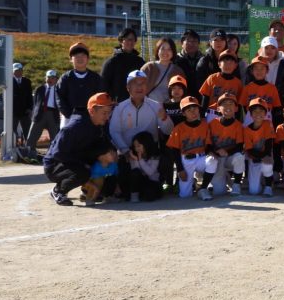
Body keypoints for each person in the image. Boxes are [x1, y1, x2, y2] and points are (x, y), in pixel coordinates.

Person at [109, 70, 173, 201]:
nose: (140, 87)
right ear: (128, 87)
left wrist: (164, 118)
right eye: (135, 84)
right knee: (126, 192)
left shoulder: (156, 106)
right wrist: (126, 151)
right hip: (128, 153)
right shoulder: (120, 108)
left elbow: (168, 130)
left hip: (150, 154)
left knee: (152, 192)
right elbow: (114, 131)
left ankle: (163, 184)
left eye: (143, 83)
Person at [43, 92, 115, 206]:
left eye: (109, 113)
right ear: (92, 111)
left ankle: (91, 190)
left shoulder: (100, 123)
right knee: (83, 172)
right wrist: (83, 164)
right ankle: (58, 191)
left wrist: (109, 152)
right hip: (55, 165)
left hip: (76, 158)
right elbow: (58, 153)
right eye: (104, 113)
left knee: (106, 156)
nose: (107, 116)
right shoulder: (74, 127)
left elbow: (102, 144)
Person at [166, 97, 213, 199]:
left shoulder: (205, 125)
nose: (193, 112)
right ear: (183, 113)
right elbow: (175, 150)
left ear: (199, 110)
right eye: (189, 110)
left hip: (201, 158)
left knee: (213, 160)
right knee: (185, 195)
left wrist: (211, 153)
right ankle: (195, 184)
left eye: (195, 108)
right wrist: (180, 169)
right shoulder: (178, 128)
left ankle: (203, 187)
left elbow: (209, 145)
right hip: (186, 160)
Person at [57, 42, 105, 125]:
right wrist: (69, 115)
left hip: (91, 118)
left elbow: (100, 98)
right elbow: (59, 98)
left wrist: (94, 114)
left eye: (83, 55)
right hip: (69, 119)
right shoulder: (65, 78)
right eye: (76, 56)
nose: (80, 58)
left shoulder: (96, 78)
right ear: (71, 59)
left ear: (88, 58)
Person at [100, 28, 145, 103]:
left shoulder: (140, 62)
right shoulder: (112, 62)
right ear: (121, 41)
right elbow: (103, 85)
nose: (130, 42)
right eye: (128, 39)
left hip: (136, 103)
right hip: (116, 104)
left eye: (133, 40)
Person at [243, 99, 277, 196]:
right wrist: (260, 157)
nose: (258, 113)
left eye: (261, 111)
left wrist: (265, 157)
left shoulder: (268, 124)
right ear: (250, 114)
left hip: (266, 155)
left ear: (266, 113)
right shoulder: (247, 129)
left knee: (267, 164)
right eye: (255, 111)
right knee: (254, 191)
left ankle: (268, 186)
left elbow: (269, 144)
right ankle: (261, 179)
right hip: (254, 158)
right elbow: (249, 150)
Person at [141, 37, 185, 104]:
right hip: (148, 105)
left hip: (169, 107)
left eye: (169, 49)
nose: (165, 52)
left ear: (173, 52)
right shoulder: (148, 67)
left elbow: (183, 91)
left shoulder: (178, 71)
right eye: (163, 49)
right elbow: (138, 87)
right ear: (158, 50)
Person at [27, 69, 61, 149]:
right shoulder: (39, 89)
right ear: (45, 78)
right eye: (48, 77)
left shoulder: (59, 90)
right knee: (32, 136)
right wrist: (34, 113)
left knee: (55, 137)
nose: (50, 80)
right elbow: (35, 102)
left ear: (56, 79)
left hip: (53, 114)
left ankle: (53, 154)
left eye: (52, 78)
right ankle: (29, 152)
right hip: (39, 114)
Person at [174, 29, 205, 98]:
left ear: (198, 44)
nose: (191, 44)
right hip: (180, 97)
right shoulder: (175, 60)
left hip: (201, 96)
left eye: (194, 41)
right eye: (188, 41)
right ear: (182, 43)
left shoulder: (204, 60)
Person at [10, 62, 34, 142]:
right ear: (12, 71)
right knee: (12, 130)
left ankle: (29, 146)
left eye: (20, 70)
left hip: (25, 111)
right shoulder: (9, 81)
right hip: (13, 111)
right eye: (16, 71)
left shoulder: (27, 81)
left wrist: (30, 108)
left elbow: (29, 96)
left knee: (28, 130)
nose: (19, 72)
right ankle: (13, 145)